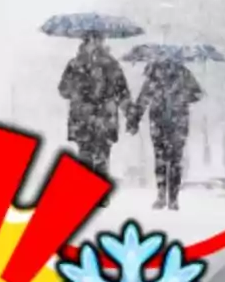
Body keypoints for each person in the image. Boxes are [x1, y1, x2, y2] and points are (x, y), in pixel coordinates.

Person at [57, 31, 131, 201]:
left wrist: (78, 89)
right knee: (102, 154)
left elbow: (63, 91)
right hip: (105, 118)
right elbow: (123, 93)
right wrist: (129, 113)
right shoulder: (112, 65)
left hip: (82, 118)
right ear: (102, 41)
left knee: (86, 153)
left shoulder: (75, 64)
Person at [126, 57, 204, 210]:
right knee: (175, 160)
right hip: (177, 122)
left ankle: (163, 195)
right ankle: (172, 198)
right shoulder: (183, 74)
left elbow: (143, 99)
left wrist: (134, 121)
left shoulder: (154, 75)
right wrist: (183, 98)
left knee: (161, 159)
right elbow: (198, 94)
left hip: (160, 122)